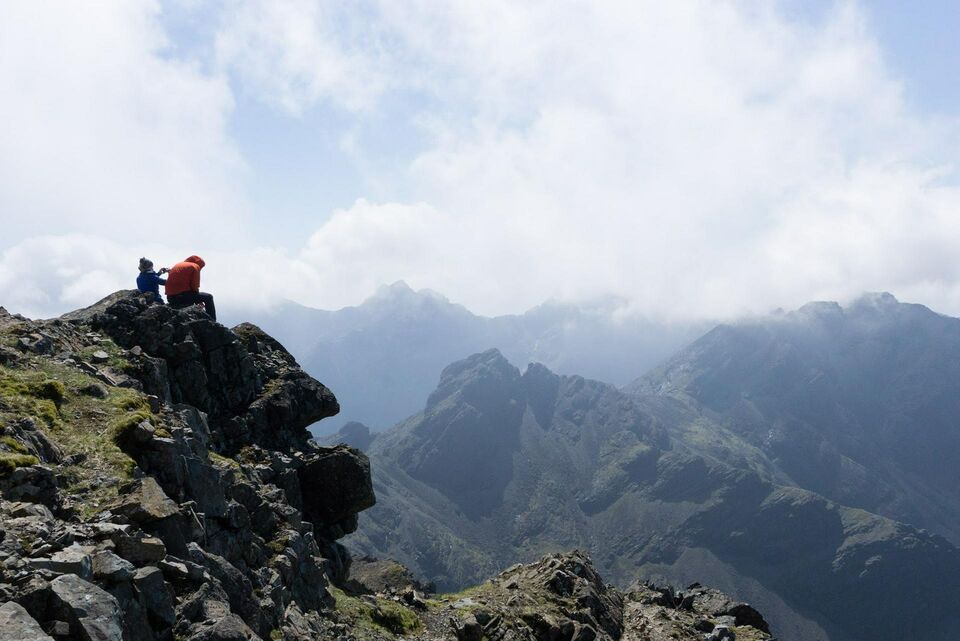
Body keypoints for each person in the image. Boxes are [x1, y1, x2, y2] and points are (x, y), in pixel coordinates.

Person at [164, 255, 217, 321]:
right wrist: (199, 300)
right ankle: (213, 321)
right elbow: (194, 286)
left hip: (170, 298)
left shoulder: (178, 265)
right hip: (181, 297)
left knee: (192, 296)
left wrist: (197, 299)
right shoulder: (195, 266)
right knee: (209, 297)